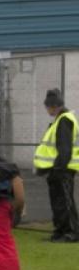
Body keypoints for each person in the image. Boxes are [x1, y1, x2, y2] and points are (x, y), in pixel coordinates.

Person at [34, 88, 79, 242]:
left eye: (47, 107)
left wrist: (59, 168)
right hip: (58, 169)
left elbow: (64, 148)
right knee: (58, 202)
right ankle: (60, 231)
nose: (47, 110)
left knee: (64, 202)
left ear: (53, 106)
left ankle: (71, 233)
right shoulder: (61, 120)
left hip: (63, 169)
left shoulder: (64, 120)